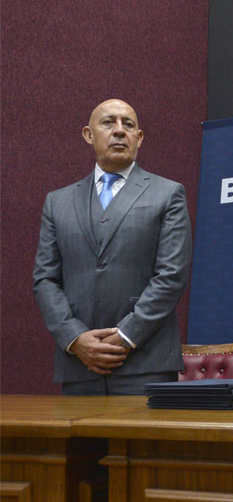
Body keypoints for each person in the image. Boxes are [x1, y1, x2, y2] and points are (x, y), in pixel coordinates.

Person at [33, 99, 192, 395]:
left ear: (139, 138)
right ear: (88, 134)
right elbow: (45, 280)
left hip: (146, 364)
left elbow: (171, 276)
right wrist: (75, 338)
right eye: (108, 123)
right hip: (79, 364)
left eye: (128, 124)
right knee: (83, 445)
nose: (119, 131)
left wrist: (126, 335)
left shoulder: (168, 194)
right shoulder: (58, 202)